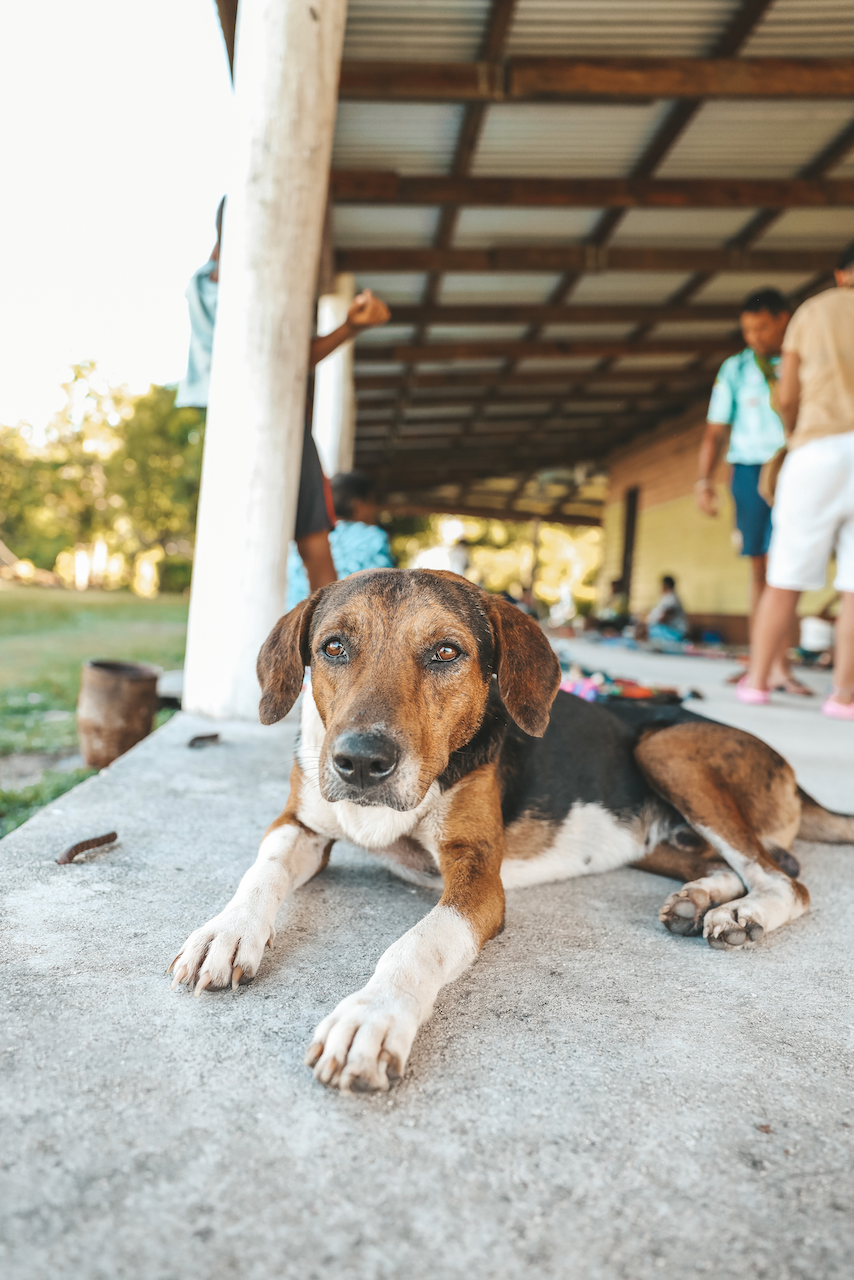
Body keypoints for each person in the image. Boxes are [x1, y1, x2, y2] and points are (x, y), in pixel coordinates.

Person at [176, 198, 391, 594]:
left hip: (281, 427)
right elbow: (280, 363)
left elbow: (288, 360)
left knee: (312, 546)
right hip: (258, 427)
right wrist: (349, 328)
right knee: (295, 547)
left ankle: (325, 643)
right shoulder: (224, 290)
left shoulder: (229, 285)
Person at [740, 243, 854, 718]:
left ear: (840, 272)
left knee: (784, 575)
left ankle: (759, 682)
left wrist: (793, 431)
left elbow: (788, 394)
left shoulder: (814, 310)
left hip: (819, 449)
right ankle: (844, 697)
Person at [695, 288, 809, 694]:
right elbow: (715, 430)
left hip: (795, 464)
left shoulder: (804, 357)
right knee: (759, 566)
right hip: (747, 470)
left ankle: (780, 665)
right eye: (747, 329)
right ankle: (763, 662)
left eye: (762, 327)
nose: (754, 336)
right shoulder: (734, 369)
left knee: (790, 566)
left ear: (784, 319)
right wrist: (703, 480)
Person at [285, 471, 395, 609]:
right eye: (371, 503)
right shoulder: (373, 538)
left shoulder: (303, 542)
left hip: (297, 619)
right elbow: (388, 592)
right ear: (358, 505)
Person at [646, 575, 687, 644]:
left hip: (674, 631)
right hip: (668, 629)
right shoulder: (666, 597)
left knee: (650, 632)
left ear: (666, 586)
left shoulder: (672, 599)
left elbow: (665, 617)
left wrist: (652, 622)